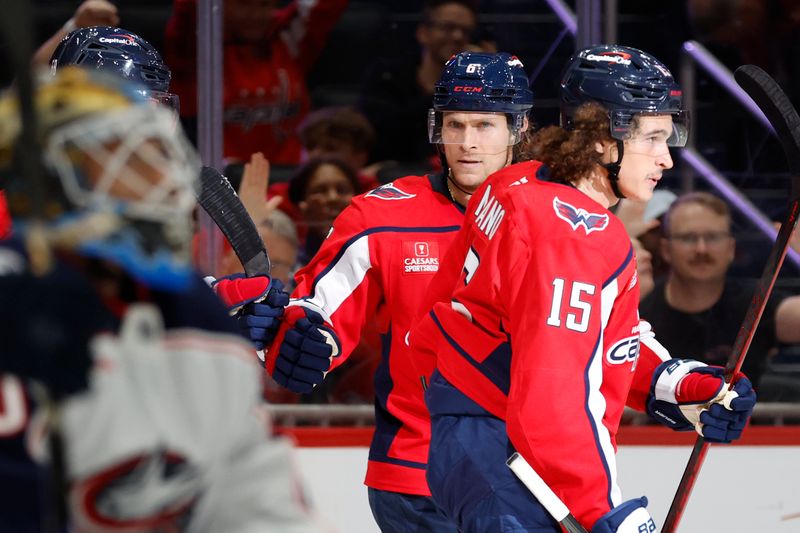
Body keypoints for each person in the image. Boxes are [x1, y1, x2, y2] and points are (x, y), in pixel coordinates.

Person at [407, 45, 756, 532]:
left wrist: (680, 384)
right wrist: (604, 511)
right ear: (601, 139)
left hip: (478, 446)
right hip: (513, 462)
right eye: (652, 138)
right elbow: (556, 392)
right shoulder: (575, 234)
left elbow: (594, 340)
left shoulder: (517, 183)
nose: (666, 159)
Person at [0, 66, 322, 533]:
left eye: (161, 155)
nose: (165, 179)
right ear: (57, 175)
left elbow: (254, 499)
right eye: (131, 159)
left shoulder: (195, 314)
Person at [223, 51, 534, 531]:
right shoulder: (382, 215)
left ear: (519, 128)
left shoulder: (556, 217)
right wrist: (295, 337)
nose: (467, 143)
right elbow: (318, 310)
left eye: (484, 126)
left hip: (529, 476)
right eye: (455, 125)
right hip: (416, 477)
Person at [640, 191, 800, 387]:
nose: (701, 249)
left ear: (731, 248)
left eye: (712, 237)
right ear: (666, 250)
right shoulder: (640, 309)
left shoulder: (756, 304)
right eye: (688, 238)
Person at [164, 0, 348, 165]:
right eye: (245, 4)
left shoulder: (289, 39)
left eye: (264, 4)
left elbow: (325, 7)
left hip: (290, 178)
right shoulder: (197, 45)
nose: (255, 14)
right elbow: (188, 11)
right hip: (219, 179)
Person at [358, 0, 492, 173]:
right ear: (423, 33)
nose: (458, 36)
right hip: (388, 177)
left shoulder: (473, 86)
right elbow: (385, 133)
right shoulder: (386, 76)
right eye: (447, 27)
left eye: (466, 31)